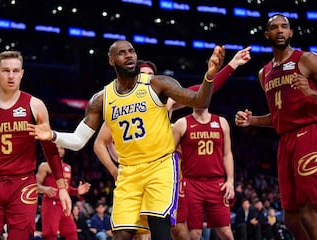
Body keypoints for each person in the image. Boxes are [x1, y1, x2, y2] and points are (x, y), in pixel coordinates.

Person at [28, 39, 225, 240]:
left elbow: (200, 100)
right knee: (121, 234)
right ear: (111, 60)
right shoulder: (102, 98)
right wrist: (52, 135)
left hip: (160, 165)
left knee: (158, 226)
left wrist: (209, 76)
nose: (129, 55)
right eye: (122, 53)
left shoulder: (157, 84)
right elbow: (79, 140)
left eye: (131, 51)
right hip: (128, 172)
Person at [94, 47, 252, 180]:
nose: (147, 77)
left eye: (151, 74)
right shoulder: (119, 106)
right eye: (143, 74)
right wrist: (116, 166)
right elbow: (102, 143)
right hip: (134, 171)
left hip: (163, 169)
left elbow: (204, 91)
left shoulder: (167, 100)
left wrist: (233, 64)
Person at [0, 50, 71, 239]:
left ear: (22, 73)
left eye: (15, 71)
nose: (11, 76)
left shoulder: (35, 105)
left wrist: (62, 188)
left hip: (23, 185)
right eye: (5, 71)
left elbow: (50, 148)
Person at [234, 14, 317, 240]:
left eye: (284, 27)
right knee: (291, 218)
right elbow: (279, 116)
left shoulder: (307, 59)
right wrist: (252, 121)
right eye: (274, 27)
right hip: (285, 141)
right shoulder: (264, 74)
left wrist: (310, 93)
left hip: (310, 133)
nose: (280, 30)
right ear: (267, 35)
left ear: (291, 33)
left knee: (310, 212)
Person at [172, 107, 235, 240]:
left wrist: (230, 181)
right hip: (191, 183)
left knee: (226, 232)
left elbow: (227, 154)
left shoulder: (221, 122)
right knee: (194, 234)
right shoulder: (182, 123)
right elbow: (168, 152)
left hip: (216, 183)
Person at [37, 144, 91, 240]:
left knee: (71, 232)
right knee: (50, 234)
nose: (59, 150)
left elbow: (66, 189)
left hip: (64, 205)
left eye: (61, 148)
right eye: (57, 148)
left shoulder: (68, 167)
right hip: (51, 203)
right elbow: (35, 185)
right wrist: (45, 189)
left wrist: (77, 191)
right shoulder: (45, 166)